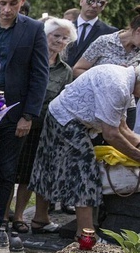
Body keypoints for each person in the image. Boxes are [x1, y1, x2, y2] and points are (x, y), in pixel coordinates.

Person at [29, 64, 140, 237]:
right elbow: (111, 134)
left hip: (73, 117)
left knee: (49, 164)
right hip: (66, 117)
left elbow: (123, 127)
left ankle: (40, 219)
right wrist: (137, 155)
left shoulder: (126, 82)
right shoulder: (118, 85)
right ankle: (85, 233)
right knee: (85, 172)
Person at [0, 0, 49, 244]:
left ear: (23, 0)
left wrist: (28, 115)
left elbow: (39, 74)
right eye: (2, 3)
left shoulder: (33, 30)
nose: (7, 10)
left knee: (7, 172)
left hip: (15, 112)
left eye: (13, 4)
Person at [11, 17, 76, 235]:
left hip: (45, 130)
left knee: (30, 176)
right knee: (10, 171)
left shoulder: (66, 70)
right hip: (20, 123)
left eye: (64, 38)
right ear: (45, 35)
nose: (59, 40)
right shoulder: (29, 59)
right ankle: (4, 214)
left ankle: (21, 216)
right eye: (56, 35)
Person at [65, 0, 117, 67]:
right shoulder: (64, 28)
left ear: (104, 6)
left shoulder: (110, 34)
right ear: (81, 1)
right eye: (91, 0)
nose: (94, 5)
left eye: (101, 3)